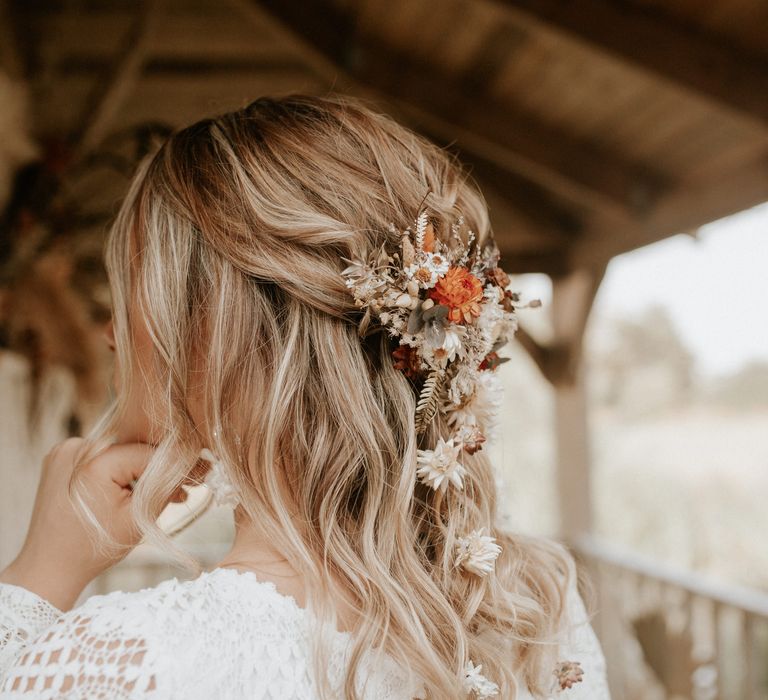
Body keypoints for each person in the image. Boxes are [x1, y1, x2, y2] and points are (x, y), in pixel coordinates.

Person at [0, 94, 609, 699]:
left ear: (212, 339)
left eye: (130, 296)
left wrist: (36, 580)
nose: (111, 333)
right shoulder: (537, 607)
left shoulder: (128, 665)